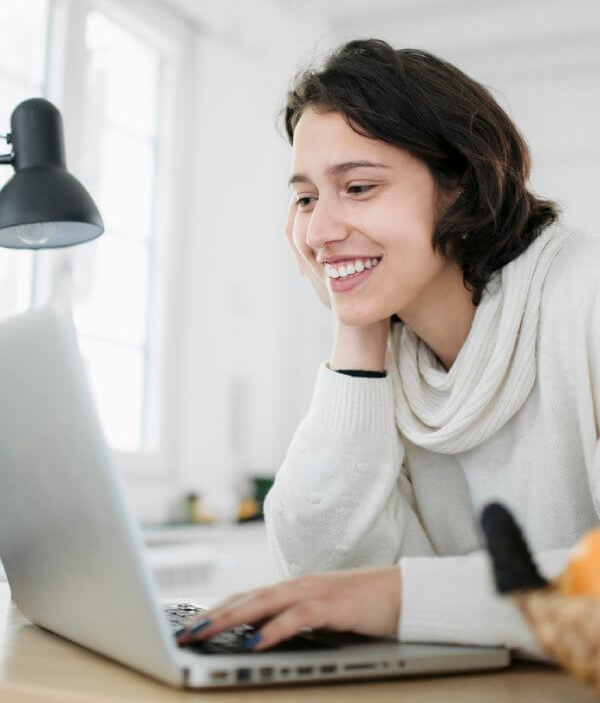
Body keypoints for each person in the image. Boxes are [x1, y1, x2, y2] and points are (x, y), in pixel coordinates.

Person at [178, 39, 600, 657]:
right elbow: (323, 572)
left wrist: (402, 597)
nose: (317, 231)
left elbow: (367, 595)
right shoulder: (395, 349)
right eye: (305, 198)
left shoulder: (584, 297)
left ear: (461, 188)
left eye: (358, 187)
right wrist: (357, 322)